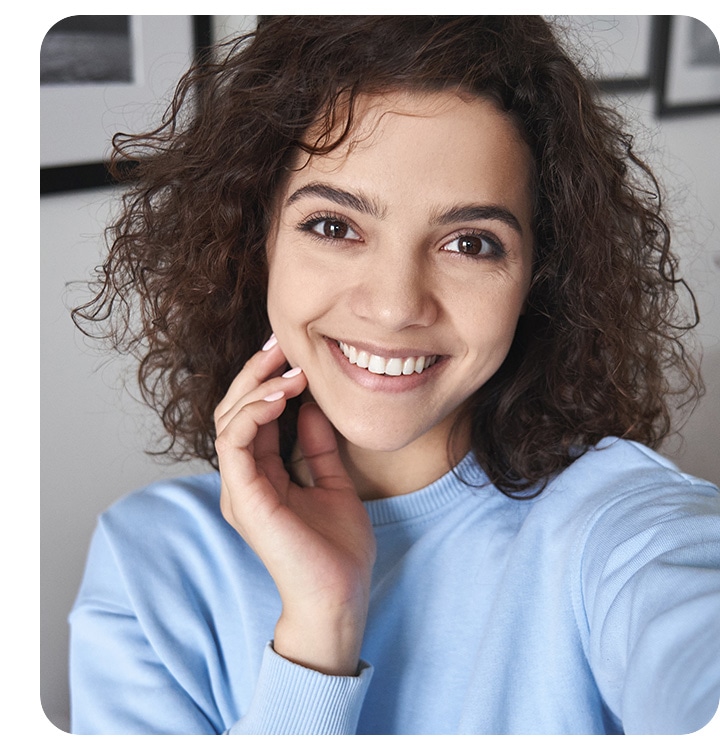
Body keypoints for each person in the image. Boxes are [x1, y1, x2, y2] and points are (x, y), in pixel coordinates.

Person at [68, 16, 720, 735]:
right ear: (257, 241)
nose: (394, 305)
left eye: (470, 243)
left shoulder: (624, 531)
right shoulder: (148, 565)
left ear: (540, 275)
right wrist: (321, 626)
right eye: (334, 226)